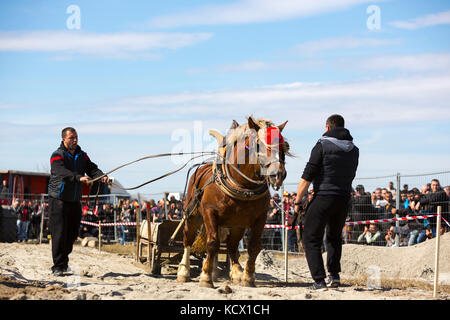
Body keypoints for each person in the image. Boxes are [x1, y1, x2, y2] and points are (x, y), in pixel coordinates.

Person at [294, 114, 359, 290]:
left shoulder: (322, 145)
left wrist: (298, 201)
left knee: (311, 238)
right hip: (344, 198)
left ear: (328, 128)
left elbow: (307, 176)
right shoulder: (354, 149)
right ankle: (334, 275)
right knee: (334, 237)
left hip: (323, 196)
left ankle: (319, 280)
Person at [48, 127, 108, 276]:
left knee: (73, 233)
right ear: (64, 139)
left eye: (76, 137)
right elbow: (60, 171)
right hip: (58, 199)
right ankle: (57, 266)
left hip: (74, 200)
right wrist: (78, 177)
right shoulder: (57, 155)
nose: (75, 140)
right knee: (59, 234)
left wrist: (101, 176)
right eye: (71, 138)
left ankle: (64, 262)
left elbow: (91, 168)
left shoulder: (82, 155)